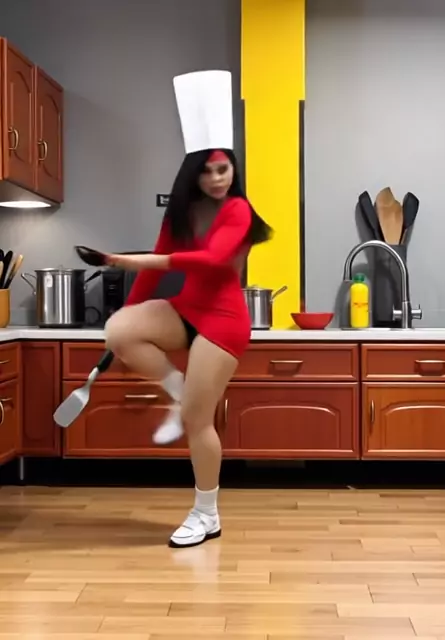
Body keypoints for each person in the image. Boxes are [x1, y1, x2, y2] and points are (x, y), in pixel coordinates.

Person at [99, 70, 272, 548]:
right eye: (208, 170)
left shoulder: (238, 210)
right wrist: (133, 307)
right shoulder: (180, 212)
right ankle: (177, 389)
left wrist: (135, 259)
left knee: (198, 419)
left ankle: (206, 513)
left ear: (233, 169)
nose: (217, 178)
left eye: (223, 169)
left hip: (224, 322)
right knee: (119, 329)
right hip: (186, 308)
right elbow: (156, 271)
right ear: (193, 172)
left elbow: (213, 260)